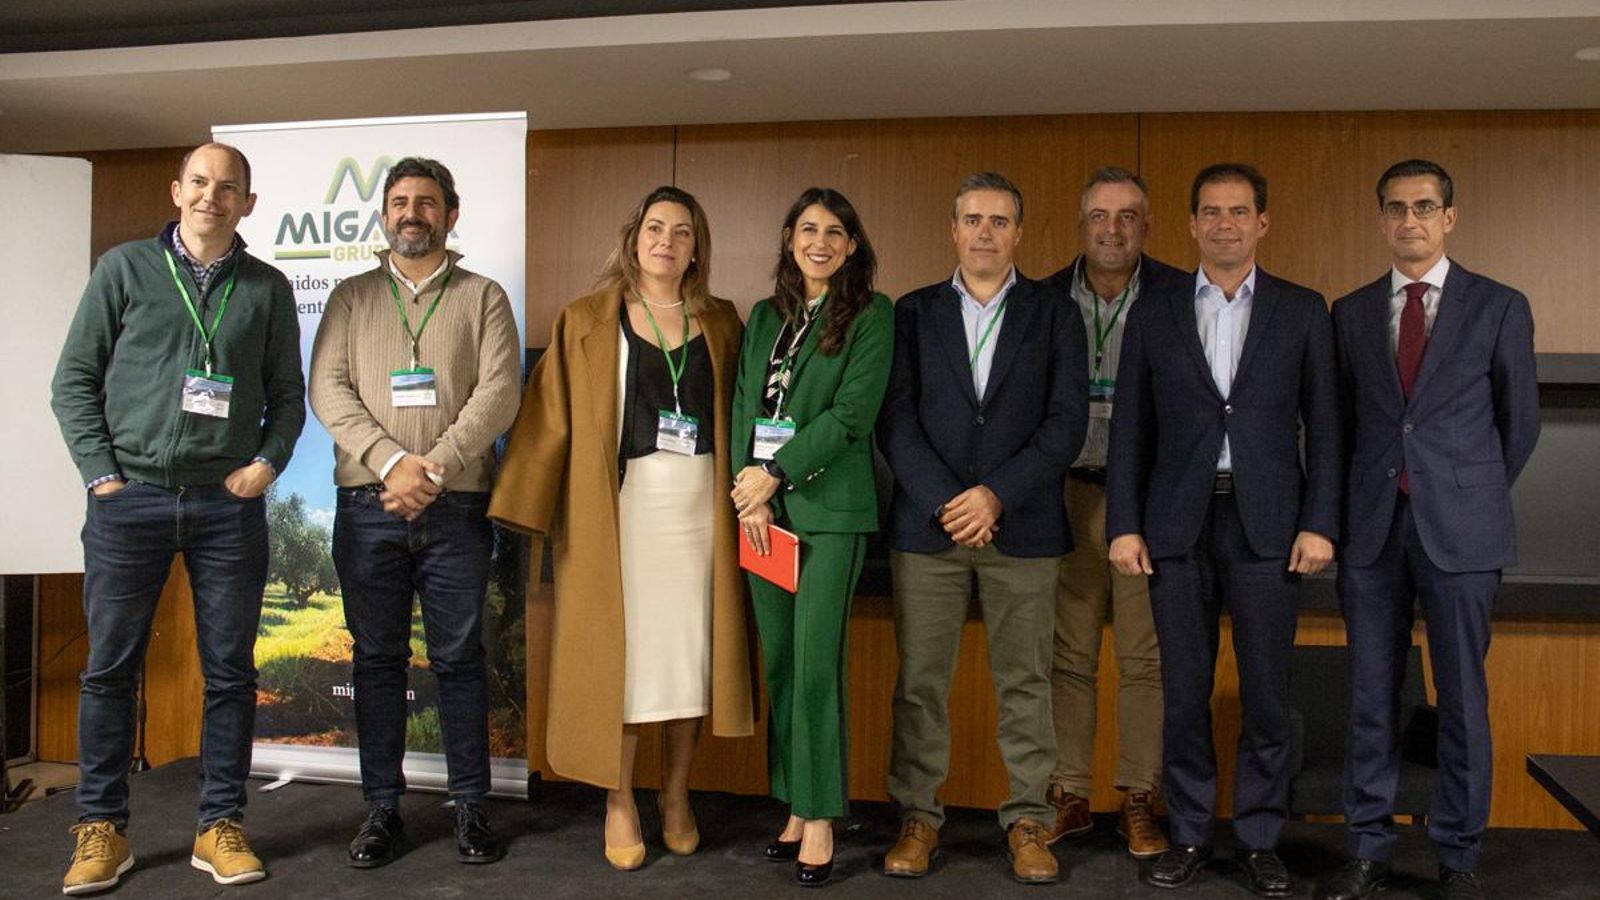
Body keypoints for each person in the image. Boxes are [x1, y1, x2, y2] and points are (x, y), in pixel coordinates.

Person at [51, 142, 305, 893]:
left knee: (229, 673)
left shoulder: (266, 287)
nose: (211, 197)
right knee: (109, 671)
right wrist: (102, 476)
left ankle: (219, 825)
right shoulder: (123, 270)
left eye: (229, 188)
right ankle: (101, 829)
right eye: (199, 183)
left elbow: (286, 394)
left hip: (227, 508)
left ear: (248, 204)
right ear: (177, 191)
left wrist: (267, 464)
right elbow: (74, 382)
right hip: (130, 501)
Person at [490, 186, 754, 871]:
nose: (668, 240)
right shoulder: (586, 319)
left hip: (702, 513)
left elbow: (747, 416)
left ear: (698, 248)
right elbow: (548, 417)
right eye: (656, 228)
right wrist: (521, 501)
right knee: (628, 663)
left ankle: (675, 795)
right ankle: (619, 799)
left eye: (683, 231)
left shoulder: (724, 322)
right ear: (634, 237)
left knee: (692, 658)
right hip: (622, 515)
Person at [1105, 163, 1340, 896]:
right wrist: (1124, 524)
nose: (1225, 224)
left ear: (1262, 223)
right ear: (1192, 223)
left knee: (1268, 694)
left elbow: (1328, 430)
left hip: (1270, 525)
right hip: (1178, 522)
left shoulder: (1303, 310)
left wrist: (1320, 523)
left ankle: (1263, 838)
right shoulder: (1156, 309)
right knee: (1184, 693)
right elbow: (1130, 430)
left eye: (1239, 212)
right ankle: (1190, 835)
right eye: (1211, 211)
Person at [1316, 160, 1539, 900]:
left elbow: (1519, 424)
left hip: (1462, 534)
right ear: (1381, 220)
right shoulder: (1348, 313)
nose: (1409, 220)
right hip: (1372, 535)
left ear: (1449, 217)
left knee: (1461, 699)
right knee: (1370, 698)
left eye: (1424, 206)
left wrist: (1460, 491)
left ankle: (1458, 854)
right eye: (1396, 208)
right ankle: (1369, 850)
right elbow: (1336, 429)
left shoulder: (1499, 305)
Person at [308, 157, 520, 867]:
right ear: (384, 216)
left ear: (450, 215)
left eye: (425, 203)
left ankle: (469, 808)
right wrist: (392, 463)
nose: (411, 214)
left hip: (455, 506)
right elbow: (328, 392)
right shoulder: (349, 298)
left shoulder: (484, 297)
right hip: (368, 504)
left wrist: (431, 468)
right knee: (376, 661)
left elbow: (499, 393)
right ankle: (381, 811)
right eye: (399, 202)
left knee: (459, 660)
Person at [878, 172, 1087, 885]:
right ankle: (918, 817)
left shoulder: (1056, 314)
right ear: (953, 229)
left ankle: (1028, 819)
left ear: (1020, 234)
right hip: (928, 530)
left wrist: (995, 495)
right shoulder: (912, 313)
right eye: (973, 219)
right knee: (920, 684)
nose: (986, 233)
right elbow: (895, 419)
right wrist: (949, 501)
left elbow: (1066, 426)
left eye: (1000, 221)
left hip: (1022, 526)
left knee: (1026, 681)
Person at [730, 187, 892, 887]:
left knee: (816, 662)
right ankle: (794, 800)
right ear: (789, 239)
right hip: (762, 512)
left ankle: (823, 813)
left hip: (828, 509)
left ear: (852, 245)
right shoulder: (767, 316)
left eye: (834, 231)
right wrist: (748, 492)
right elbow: (743, 400)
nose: (819, 241)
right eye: (807, 229)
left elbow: (853, 414)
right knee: (780, 663)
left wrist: (774, 474)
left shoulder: (872, 315)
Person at [1042, 166, 1186, 857]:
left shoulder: (1182, 295)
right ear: (1082, 224)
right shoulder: (1040, 299)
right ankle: (1068, 794)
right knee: (1065, 654)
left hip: (1146, 500)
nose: (1112, 228)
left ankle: (1137, 797)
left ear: (1147, 226)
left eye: (1128, 216)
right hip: (1062, 493)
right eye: (1099, 215)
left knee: (1143, 658)